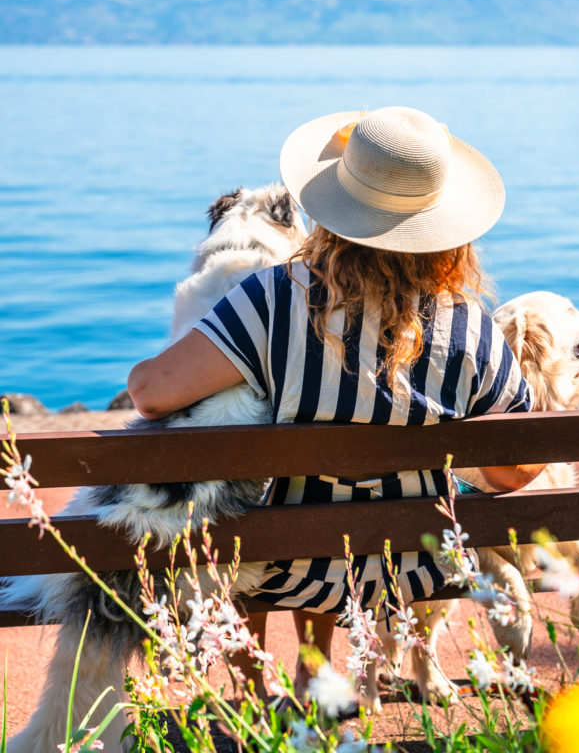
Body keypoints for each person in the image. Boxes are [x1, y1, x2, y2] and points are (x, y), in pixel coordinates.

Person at [128, 106, 544, 699]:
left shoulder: (275, 298)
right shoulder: (472, 327)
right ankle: (312, 672)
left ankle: (258, 691)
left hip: (291, 565)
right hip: (418, 564)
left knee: (258, 512)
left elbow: (149, 394)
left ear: (333, 212)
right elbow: (517, 470)